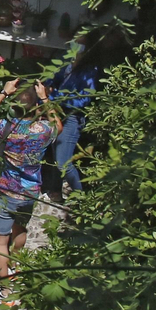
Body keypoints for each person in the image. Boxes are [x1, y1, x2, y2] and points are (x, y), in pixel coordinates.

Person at [0, 79, 61, 285]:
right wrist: (44, 97)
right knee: (20, 228)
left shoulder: (5, 128)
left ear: (13, 107)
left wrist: (4, 92)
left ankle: (6, 289)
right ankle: (15, 265)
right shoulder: (43, 130)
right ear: (36, 107)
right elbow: (58, 125)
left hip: (6, 192)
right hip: (30, 192)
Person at [45, 39, 102, 198]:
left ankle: (81, 198)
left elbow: (84, 99)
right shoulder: (66, 62)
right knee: (55, 153)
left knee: (63, 162)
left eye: (80, 44)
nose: (75, 47)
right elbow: (54, 80)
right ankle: (55, 190)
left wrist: (55, 96)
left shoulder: (90, 71)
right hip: (57, 113)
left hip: (72, 117)